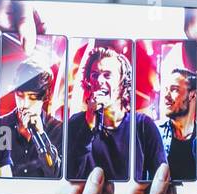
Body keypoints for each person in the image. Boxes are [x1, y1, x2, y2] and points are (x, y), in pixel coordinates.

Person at [66, 46, 166, 186]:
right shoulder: (76, 123)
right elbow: (70, 176)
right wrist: (88, 126)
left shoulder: (143, 126)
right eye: (94, 75)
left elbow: (161, 179)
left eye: (107, 75)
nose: (99, 81)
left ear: (122, 83)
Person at [0, 59, 64, 178]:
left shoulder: (59, 130)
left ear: (45, 96)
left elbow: (57, 175)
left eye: (32, 97)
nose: (24, 104)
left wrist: (41, 135)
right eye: (20, 95)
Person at [156, 67, 197, 183]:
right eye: (165, 90)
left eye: (174, 89)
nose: (166, 95)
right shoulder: (153, 133)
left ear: (193, 95)